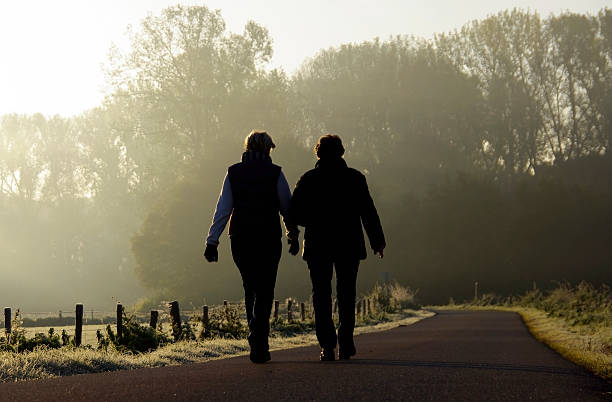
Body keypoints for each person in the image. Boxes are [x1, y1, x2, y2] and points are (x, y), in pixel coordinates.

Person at [203, 131, 299, 364]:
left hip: (241, 237)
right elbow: (287, 207)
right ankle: (259, 339)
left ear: (246, 148)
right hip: (268, 236)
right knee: (266, 289)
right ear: (268, 149)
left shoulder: (233, 172)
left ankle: (255, 336)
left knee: (250, 286)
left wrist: (212, 241)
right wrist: (293, 235)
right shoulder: (275, 173)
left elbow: (223, 209)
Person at [289, 134, 385, 361]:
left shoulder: (308, 179)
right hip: (348, 243)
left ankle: (327, 346)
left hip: (317, 244)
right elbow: (368, 212)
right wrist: (377, 241)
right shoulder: (355, 178)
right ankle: (346, 342)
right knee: (346, 294)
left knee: (321, 295)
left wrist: (312, 220)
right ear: (341, 152)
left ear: (318, 153)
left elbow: (295, 213)